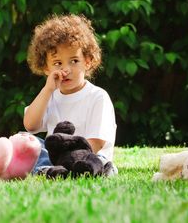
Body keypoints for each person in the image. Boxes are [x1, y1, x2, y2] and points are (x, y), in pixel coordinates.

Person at [23, 14, 118, 176]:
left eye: (74, 61)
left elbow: (97, 142)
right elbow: (30, 125)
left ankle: (61, 171)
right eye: (58, 63)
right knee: (25, 140)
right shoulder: (50, 96)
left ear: (87, 61)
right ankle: (51, 170)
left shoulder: (98, 97)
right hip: (56, 159)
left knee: (100, 162)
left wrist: (71, 156)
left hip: (89, 156)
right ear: (46, 68)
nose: (66, 70)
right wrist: (47, 90)